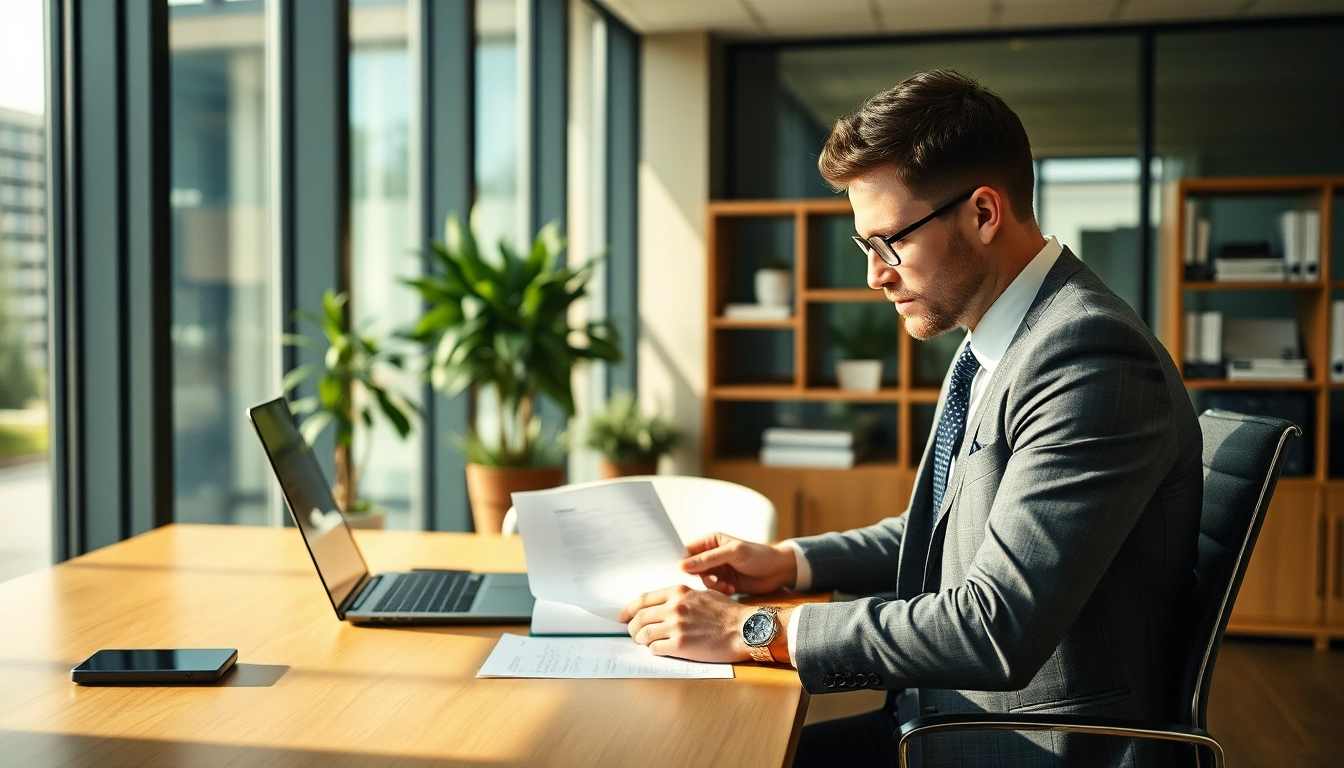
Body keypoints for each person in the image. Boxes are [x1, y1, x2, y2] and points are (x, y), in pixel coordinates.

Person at [617, 69, 1202, 768]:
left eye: (889, 241)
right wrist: (790, 561)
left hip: (1019, 747)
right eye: (865, 246)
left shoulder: (1088, 356)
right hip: (937, 717)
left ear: (983, 213)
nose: (875, 274)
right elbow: (941, 531)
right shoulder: (996, 339)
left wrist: (755, 628)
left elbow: (995, 626)